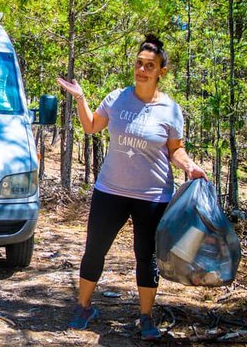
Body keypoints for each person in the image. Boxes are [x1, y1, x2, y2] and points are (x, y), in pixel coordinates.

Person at [57, 34, 207, 341]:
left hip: (152, 196)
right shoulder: (116, 98)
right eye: (139, 63)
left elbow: (175, 150)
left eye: (149, 65)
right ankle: (84, 307)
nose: (142, 69)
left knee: (146, 256)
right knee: (94, 250)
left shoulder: (170, 110)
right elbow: (90, 127)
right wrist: (81, 98)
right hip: (110, 190)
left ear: (161, 71)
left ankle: (145, 317)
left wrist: (189, 166)